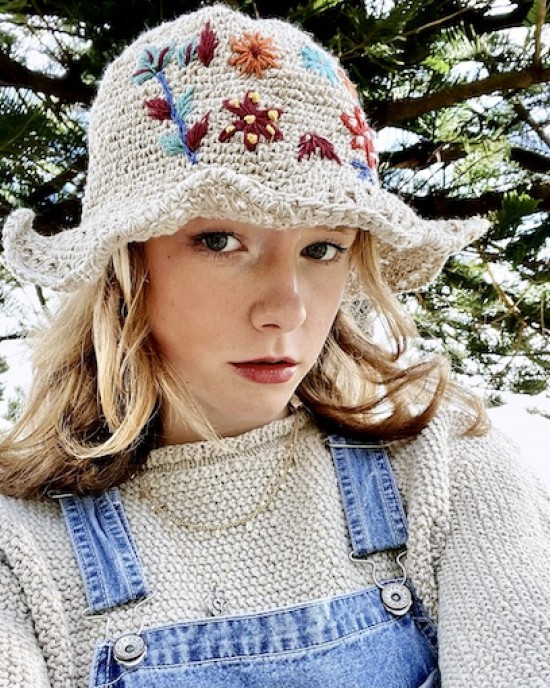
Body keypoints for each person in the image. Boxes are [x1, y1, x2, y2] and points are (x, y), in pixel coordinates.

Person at [1, 4, 549, 687]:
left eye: (323, 248)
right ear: (124, 264)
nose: (286, 308)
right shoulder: (22, 551)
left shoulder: (445, 469)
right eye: (221, 241)